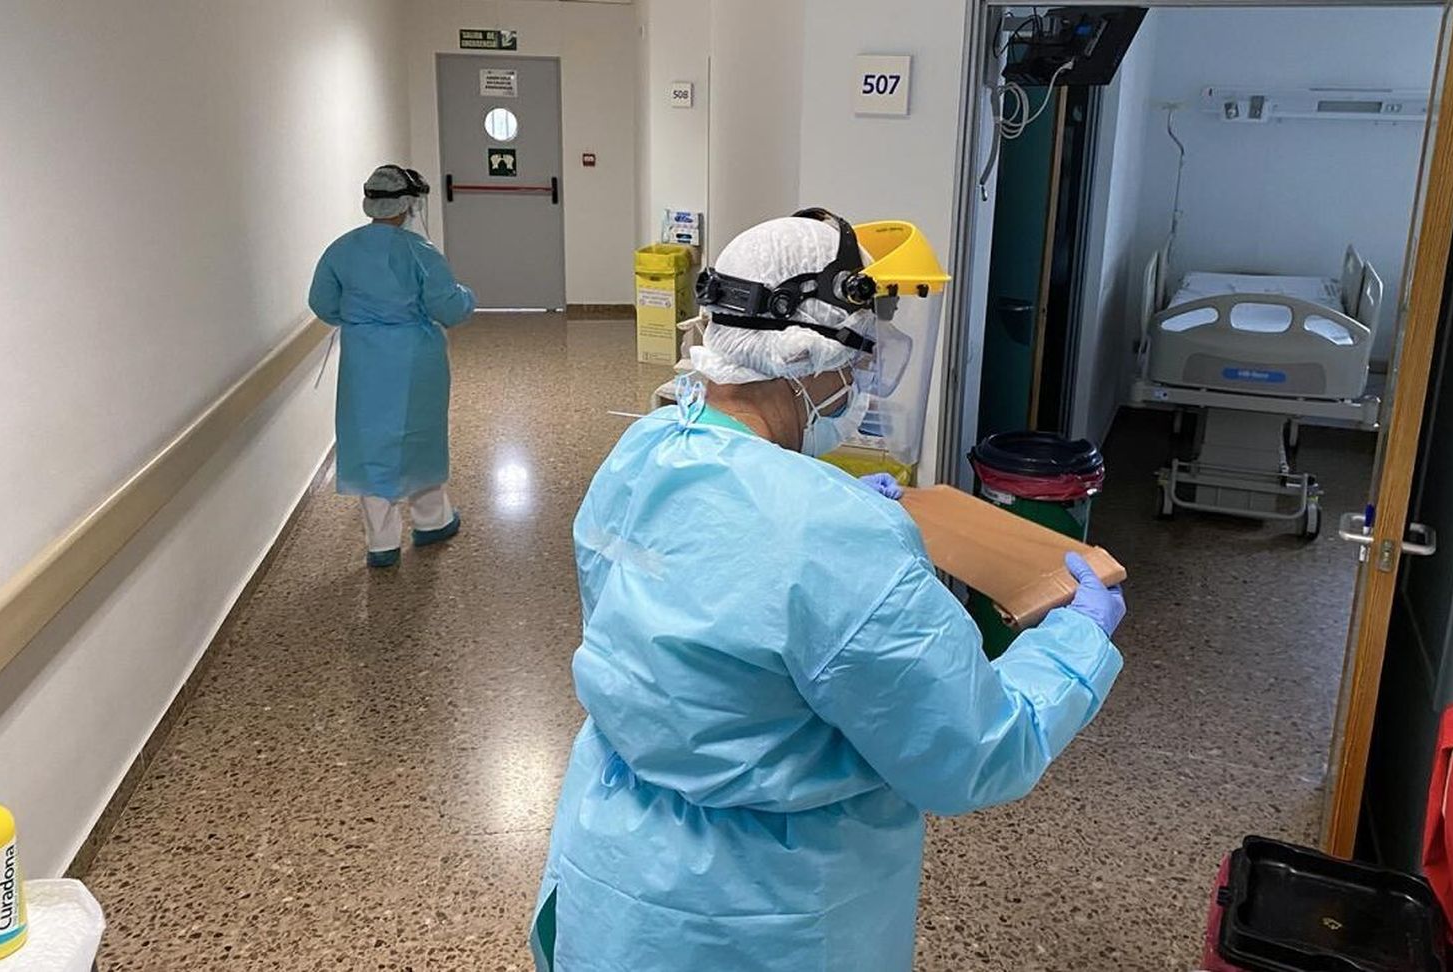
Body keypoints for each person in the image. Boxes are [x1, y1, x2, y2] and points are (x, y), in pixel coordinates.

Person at [530, 211, 1126, 971]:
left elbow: (695, 599)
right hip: (754, 918)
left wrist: (818, 499)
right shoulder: (839, 543)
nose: (862, 384)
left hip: (616, 873)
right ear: (807, 358)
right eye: (861, 358)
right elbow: (974, 752)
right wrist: (1076, 642)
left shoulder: (643, 447)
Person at [308, 164, 475, 567]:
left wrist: (363, 320)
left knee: (367, 439)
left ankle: (381, 543)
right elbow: (448, 308)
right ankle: (432, 520)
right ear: (410, 203)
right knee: (419, 434)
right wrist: (466, 296)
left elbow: (322, 305)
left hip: (364, 358)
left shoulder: (340, 250)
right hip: (416, 356)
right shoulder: (420, 253)